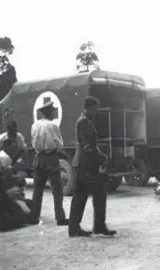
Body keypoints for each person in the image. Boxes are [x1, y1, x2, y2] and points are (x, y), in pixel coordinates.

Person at [68, 96, 116, 237]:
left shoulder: (84, 121)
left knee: (81, 196)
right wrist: (101, 157)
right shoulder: (84, 122)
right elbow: (89, 147)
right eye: (96, 108)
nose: (97, 111)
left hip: (83, 163)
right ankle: (98, 227)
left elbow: (90, 145)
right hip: (87, 164)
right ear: (89, 107)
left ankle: (75, 227)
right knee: (98, 194)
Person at [30, 101, 68, 226]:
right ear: (50, 112)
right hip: (51, 157)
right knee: (57, 188)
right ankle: (60, 217)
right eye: (53, 111)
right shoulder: (53, 126)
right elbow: (59, 144)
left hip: (38, 157)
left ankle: (34, 216)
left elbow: (33, 142)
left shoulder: (35, 125)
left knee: (38, 189)